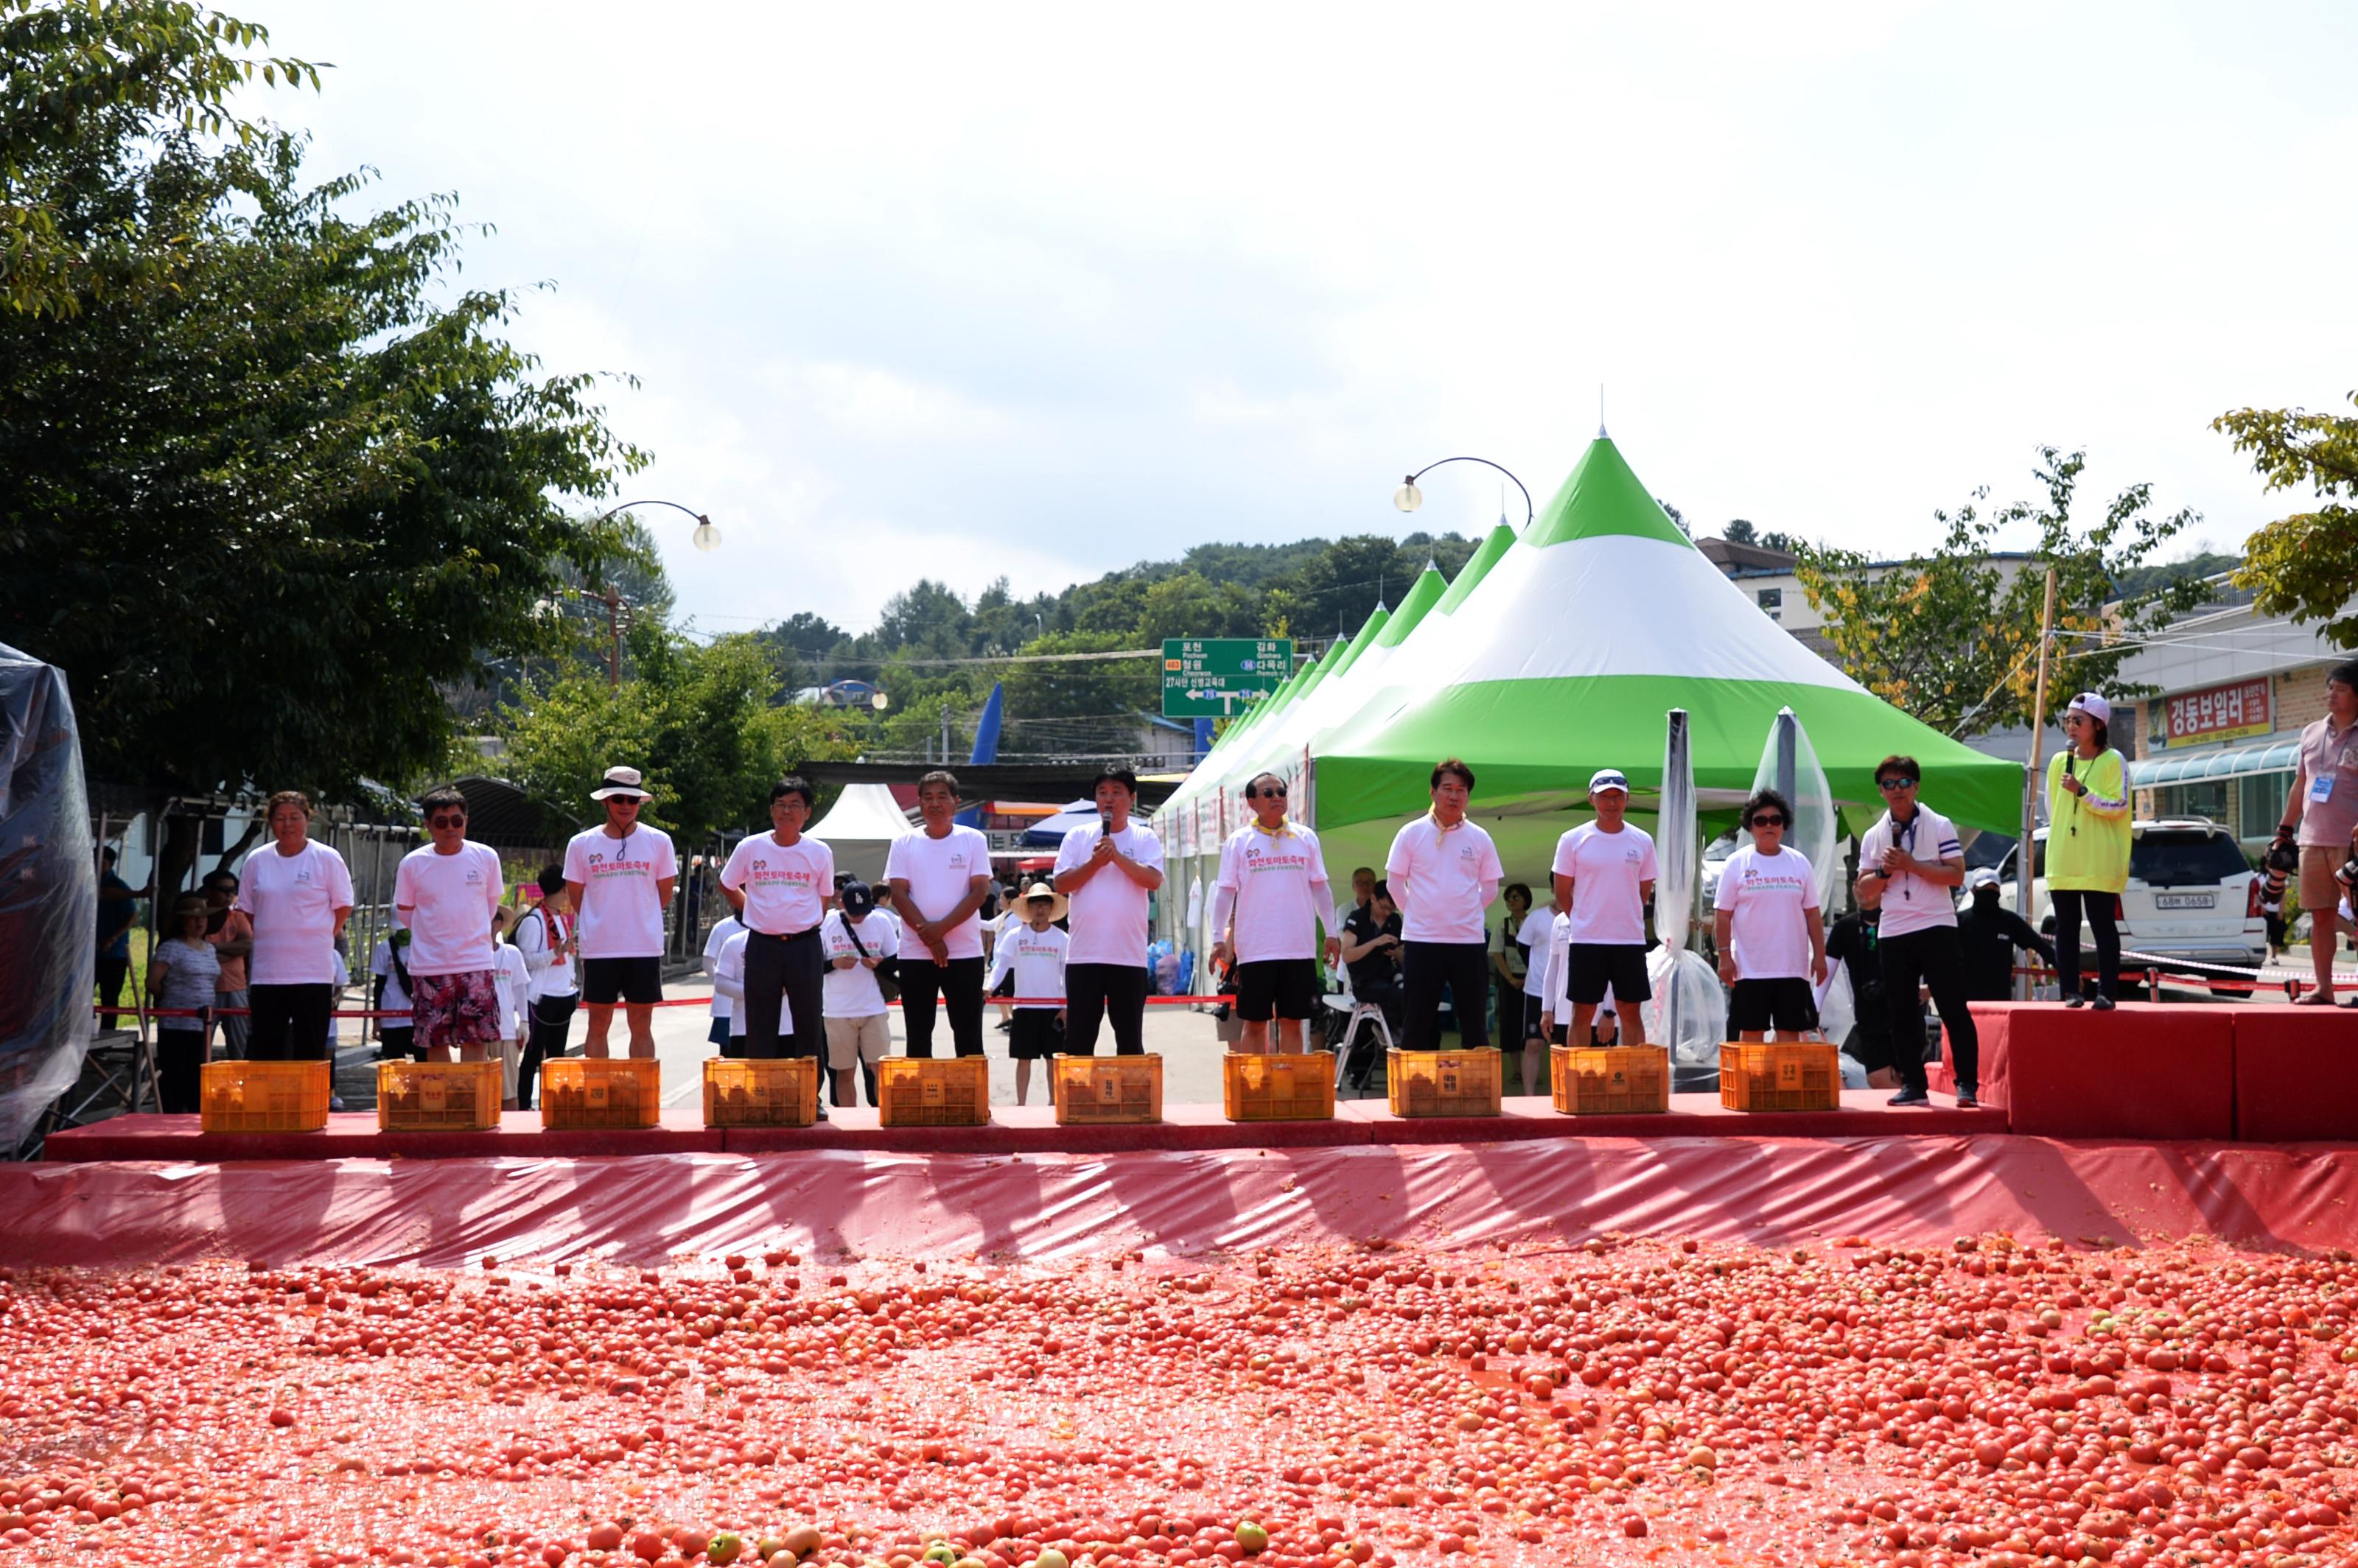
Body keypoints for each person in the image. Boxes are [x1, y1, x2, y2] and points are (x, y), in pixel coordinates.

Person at [1858, 754, 1979, 1107]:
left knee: (1953, 1007)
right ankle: (1913, 1082)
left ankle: (1967, 1084)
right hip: (1894, 929)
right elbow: (1863, 895)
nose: (1897, 791)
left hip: (1936, 924)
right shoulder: (1873, 835)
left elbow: (1956, 874)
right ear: (1880, 791)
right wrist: (1884, 873)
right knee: (1900, 1012)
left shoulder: (1940, 824)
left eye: (1904, 783)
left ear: (1917, 786)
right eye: (1889, 785)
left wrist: (1913, 865)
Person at [1210, 771, 1340, 1054]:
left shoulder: (1305, 837)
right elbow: (1225, 892)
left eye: (1281, 792)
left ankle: (1288, 1090)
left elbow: (1320, 887)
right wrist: (1217, 937)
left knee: (1292, 1023)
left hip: (1298, 948)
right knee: (1255, 1024)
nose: (1277, 798)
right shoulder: (1239, 841)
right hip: (1256, 949)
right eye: (1268, 793)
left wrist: (1331, 932)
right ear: (1252, 802)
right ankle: (1255, 1091)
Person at [1386, 758, 1504, 1052]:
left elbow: (1490, 887)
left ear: (1468, 795)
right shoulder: (1411, 833)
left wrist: (1466, 911)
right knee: (1417, 1020)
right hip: (1422, 940)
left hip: (1468, 940)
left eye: (1461, 790)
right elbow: (1394, 884)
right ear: (1433, 792)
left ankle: (1476, 1093)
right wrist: (1417, 912)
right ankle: (1413, 1091)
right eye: (1447, 789)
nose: (1454, 796)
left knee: (1474, 1021)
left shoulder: (1479, 837)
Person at [563, 766, 678, 1060]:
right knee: (598, 1023)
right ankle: (599, 1095)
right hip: (600, 948)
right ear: (605, 801)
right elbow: (577, 896)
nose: (626, 806)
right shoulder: (581, 844)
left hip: (643, 946)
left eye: (633, 800)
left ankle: (639, 1096)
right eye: (619, 799)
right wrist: (600, 920)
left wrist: (640, 915)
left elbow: (663, 893)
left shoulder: (659, 841)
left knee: (641, 1024)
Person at [1052, 763, 1166, 1056]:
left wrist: (1116, 857)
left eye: (1117, 792)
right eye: (1102, 792)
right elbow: (1062, 884)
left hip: (1128, 956)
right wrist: (1094, 864)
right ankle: (1078, 1101)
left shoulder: (1144, 837)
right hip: (1084, 956)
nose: (1109, 799)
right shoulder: (1077, 836)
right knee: (1079, 1039)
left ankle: (1131, 1102)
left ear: (1132, 799)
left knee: (1129, 1041)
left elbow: (1153, 880)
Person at [234, 791, 354, 1062]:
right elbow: (250, 911)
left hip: (313, 972)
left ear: (307, 819)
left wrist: (322, 935)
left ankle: (309, 1105)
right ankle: (269, 1105)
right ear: (270, 822)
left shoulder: (326, 857)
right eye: (280, 818)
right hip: (268, 973)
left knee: (310, 1051)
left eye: (294, 817)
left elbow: (344, 905)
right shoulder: (257, 860)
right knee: (267, 1049)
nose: (287, 825)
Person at [719, 777, 833, 1061]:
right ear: (771, 810)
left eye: (795, 805)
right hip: (762, 945)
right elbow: (727, 884)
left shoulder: (820, 852)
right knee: (760, 1023)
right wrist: (754, 913)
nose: (787, 812)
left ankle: (811, 1097)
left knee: (808, 1021)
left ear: (807, 813)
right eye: (780, 805)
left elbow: (824, 898)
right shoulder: (750, 847)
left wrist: (801, 923)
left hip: (804, 946)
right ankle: (762, 1095)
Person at [393, 787, 506, 1065]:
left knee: (476, 1041)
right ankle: (445, 1107)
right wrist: (433, 935)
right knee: (435, 1043)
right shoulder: (413, 864)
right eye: (441, 822)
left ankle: (474, 1106)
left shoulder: (486, 857)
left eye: (457, 820)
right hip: (430, 967)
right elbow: (406, 912)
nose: (450, 828)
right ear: (428, 825)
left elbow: (490, 906)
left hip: (476, 964)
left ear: (466, 821)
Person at [884, 770, 994, 1058]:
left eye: (942, 797)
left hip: (965, 952)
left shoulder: (973, 840)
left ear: (955, 802)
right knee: (919, 1033)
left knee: (968, 1032)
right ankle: (921, 1103)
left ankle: (972, 1101)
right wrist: (930, 938)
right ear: (920, 803)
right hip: (915, 952)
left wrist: (940, 930)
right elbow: (898, 894)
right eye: (928, 797)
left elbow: (980, 891)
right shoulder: (903, 842)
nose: (935, 803)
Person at [2272, 659, 2358, 1006]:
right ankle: (2324, 989)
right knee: (2320, 915)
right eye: (2330, 688)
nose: (2331, 695)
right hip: (2312, 839)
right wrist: (2285, 828)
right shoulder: (2311, 732)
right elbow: (2301, 784)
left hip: (2350, 843)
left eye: (2340, 689)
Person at [1552, 769, 1659, 1050]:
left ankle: (1638, 1078)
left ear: (1627, 799)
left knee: (1630, 1010)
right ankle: (1577, 1077)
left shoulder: (1643, 841)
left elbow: (1643, 892)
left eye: (1617, 797)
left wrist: (1623, 915)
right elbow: (1562, 890)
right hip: (1587, 940)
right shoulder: (1572, 839)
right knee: (1583, 1011)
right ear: (1591, 800)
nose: (1611, 803)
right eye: (1605, 797)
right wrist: (1584, 919)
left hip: (1629, 939)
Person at [1710, 788, 1826, 1042]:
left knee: (1789, 1032)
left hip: (1792, 967)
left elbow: (1813, 914)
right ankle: (1751, 1083)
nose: (1769, 826)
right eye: (1760, 821)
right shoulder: (1736, 863)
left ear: (1784, 825)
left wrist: (1819, 955)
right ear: (1750, 827)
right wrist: (1724, 957)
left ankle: (1785, 1084)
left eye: (1776, 820)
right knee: (1751, 1033)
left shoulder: (1799, 863)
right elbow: (1723, 914)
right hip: (1751, 969)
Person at [2043, 693, 2132, 1009]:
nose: (2071, 726)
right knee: (2065, 928)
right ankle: (2071, 991)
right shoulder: (2058, 762)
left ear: (2097, 725)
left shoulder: (2113, 760)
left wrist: (2082, 792)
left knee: (2102, 926)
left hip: (2100, 858)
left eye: (2077, 721)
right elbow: (2053, 808)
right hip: (2064, 856)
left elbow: (2119, 805)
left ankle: (2107, 992)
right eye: (2067, 720)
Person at [987, 882, 1070, 1105]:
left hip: (1053, 1009)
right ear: (1028, 908)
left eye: (1044, 905)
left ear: (1051, 909)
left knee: (1054, 1061)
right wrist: (990, 988)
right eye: (1036, 905)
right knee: (1023, 1059)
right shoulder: (1015, 936)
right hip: (1024, 1008)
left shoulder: (1061, 939)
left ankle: (1054, 1104)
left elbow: (1067, 974)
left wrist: (1066, 1007)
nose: (1040, 910)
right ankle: (1021, 1105)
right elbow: (1001, 965)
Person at [820, 878, 899, 1108]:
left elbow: (896, 960)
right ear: (841, 903)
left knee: (881, 1069)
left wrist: (879, 963)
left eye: (863, 912)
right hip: (837, 1011)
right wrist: (835, 963)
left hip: (873, 1007)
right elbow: (813, 965)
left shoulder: (881, 921)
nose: (859, 918)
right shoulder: (827, 922)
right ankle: (849, 1122)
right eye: (854, 913)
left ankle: (883, 1116)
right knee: (844, 1073)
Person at [1820, 874, 1900, 1087]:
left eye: (1867, 884)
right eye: (1856, 884)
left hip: (1902, 1009)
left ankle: (1911, 1117)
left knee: (1905, 1076)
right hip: (1868, 1014)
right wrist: (1814, 1007)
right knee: (1877, 1078)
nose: (1860, 889)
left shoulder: (1897, 920)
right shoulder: (1845, 927)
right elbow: (1827, 970)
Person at [509, 865, 578, 1107]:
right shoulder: (535, 920)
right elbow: (525, 960)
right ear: (562, 888)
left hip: (563, 995)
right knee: (533, 1056)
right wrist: (554, 952)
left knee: (557, 1057)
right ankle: (525, 1105)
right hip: (541, 999)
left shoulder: (559, 916)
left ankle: (554, 1105)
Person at [147, 893, 220, 1113]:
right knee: (175, 1076)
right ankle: (172, 1118)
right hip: (176, 1023)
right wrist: (170, 1002)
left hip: (203, 1025)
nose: (199, 923)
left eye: (203, 918)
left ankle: (195, 1119)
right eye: (193, 918)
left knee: (197, 1077)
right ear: (182, 921)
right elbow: (153, 981)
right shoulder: (172, 948)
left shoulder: (210, 949)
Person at [1338, 880, 1405, 1088]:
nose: (1387, 912)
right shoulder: (1357, 919)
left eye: (1391, 908)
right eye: (1384, 907)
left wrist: (1397, 953)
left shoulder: (1395, 920)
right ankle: (1386, 1028)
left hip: (1389, 976)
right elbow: (1347, 955)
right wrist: (1375, 942)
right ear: (1373, 899)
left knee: (1412, 995)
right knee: (1392, 996)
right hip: (1363, 981)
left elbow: (1404, 957)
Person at [1957, 867, 2057, 1001]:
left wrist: (2069, 974)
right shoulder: (1960, 921)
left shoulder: (2009, 921)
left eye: (1994, 889)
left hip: (2000, 1002)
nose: (1990, 893)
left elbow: (2041, 946)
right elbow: (1943, 957)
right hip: (1965, 1001)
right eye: (1985, 889)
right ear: (1973, 891)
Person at [200, 869, 253, 1060]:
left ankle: (238, 1085)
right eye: (223, 890)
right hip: (206, 988)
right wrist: (231, 949)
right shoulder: (199, 919)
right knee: (201, 1044)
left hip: (235, 986)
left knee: (239, 1046)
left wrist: (213, 949)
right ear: (209, 892)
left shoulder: (238, 917)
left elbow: (247, 944)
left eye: (233, 890)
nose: (229, 894)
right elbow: (196, 951)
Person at [1514, 890, 1558, 1091]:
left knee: (1567, 1046)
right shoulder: (1537, 917)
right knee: (1534, 1044)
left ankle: (1565, 1094)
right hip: (1537, 991)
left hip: (1568, 992)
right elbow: (1523, 946)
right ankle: (1529, 1097)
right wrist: (1536, 970)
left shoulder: (1583, 914)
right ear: (1554, 888)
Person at [95, 847, 147, 1016]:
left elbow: (132, 915)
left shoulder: (119, 886)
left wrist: (114, 938)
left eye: (101, 861)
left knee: (110, 998)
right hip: (89, 951)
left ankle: (108, 1034)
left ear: (109, 864)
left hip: (114, 953)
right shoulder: (87, 881)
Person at [491, 909, 532, 1110]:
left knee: (508, 1091)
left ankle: (511, 1134)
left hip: (506, 1029)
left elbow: (520, 989)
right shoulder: (469, 953)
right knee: (482, 1092)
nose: (491, 922)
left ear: (500, 923)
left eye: (496, 918)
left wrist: (524, 1022)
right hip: (478, 1031)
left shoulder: (512, 953)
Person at [702, 897, 746, 1055]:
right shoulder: (722, 928)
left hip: (756, 1008)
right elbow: (708, 962)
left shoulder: (765, 928)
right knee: (728, 1057)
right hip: (725, 1008)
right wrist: (725, 984)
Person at [1491, 883, 1533, 1048]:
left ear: (1526, 900)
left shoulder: (1533, 922)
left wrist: (1529, 977)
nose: (1511, 902)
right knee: (1509, 1024)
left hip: (1532, 980)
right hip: (1509, 981)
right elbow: (1496, 953)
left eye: (1516, 897)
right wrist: (1511, 978)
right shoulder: (1502, 924)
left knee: (1529, 1023)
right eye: (1508, 899)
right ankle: (1516, 1071)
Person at [370, 928, 416, 1063]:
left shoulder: (420, 945)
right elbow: (378, 986)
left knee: (424, 1064)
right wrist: (377, 1019)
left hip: (416, 1016)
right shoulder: (384, 948)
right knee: (395, 1066)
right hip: (390, 1016)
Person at [1334, 867, 1376, 943]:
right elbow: (1343, 936)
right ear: (1353, 886)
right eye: (1360, 883)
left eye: (1369, 882)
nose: (1365, 886)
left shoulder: (1382, 910)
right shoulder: (1343, 909)